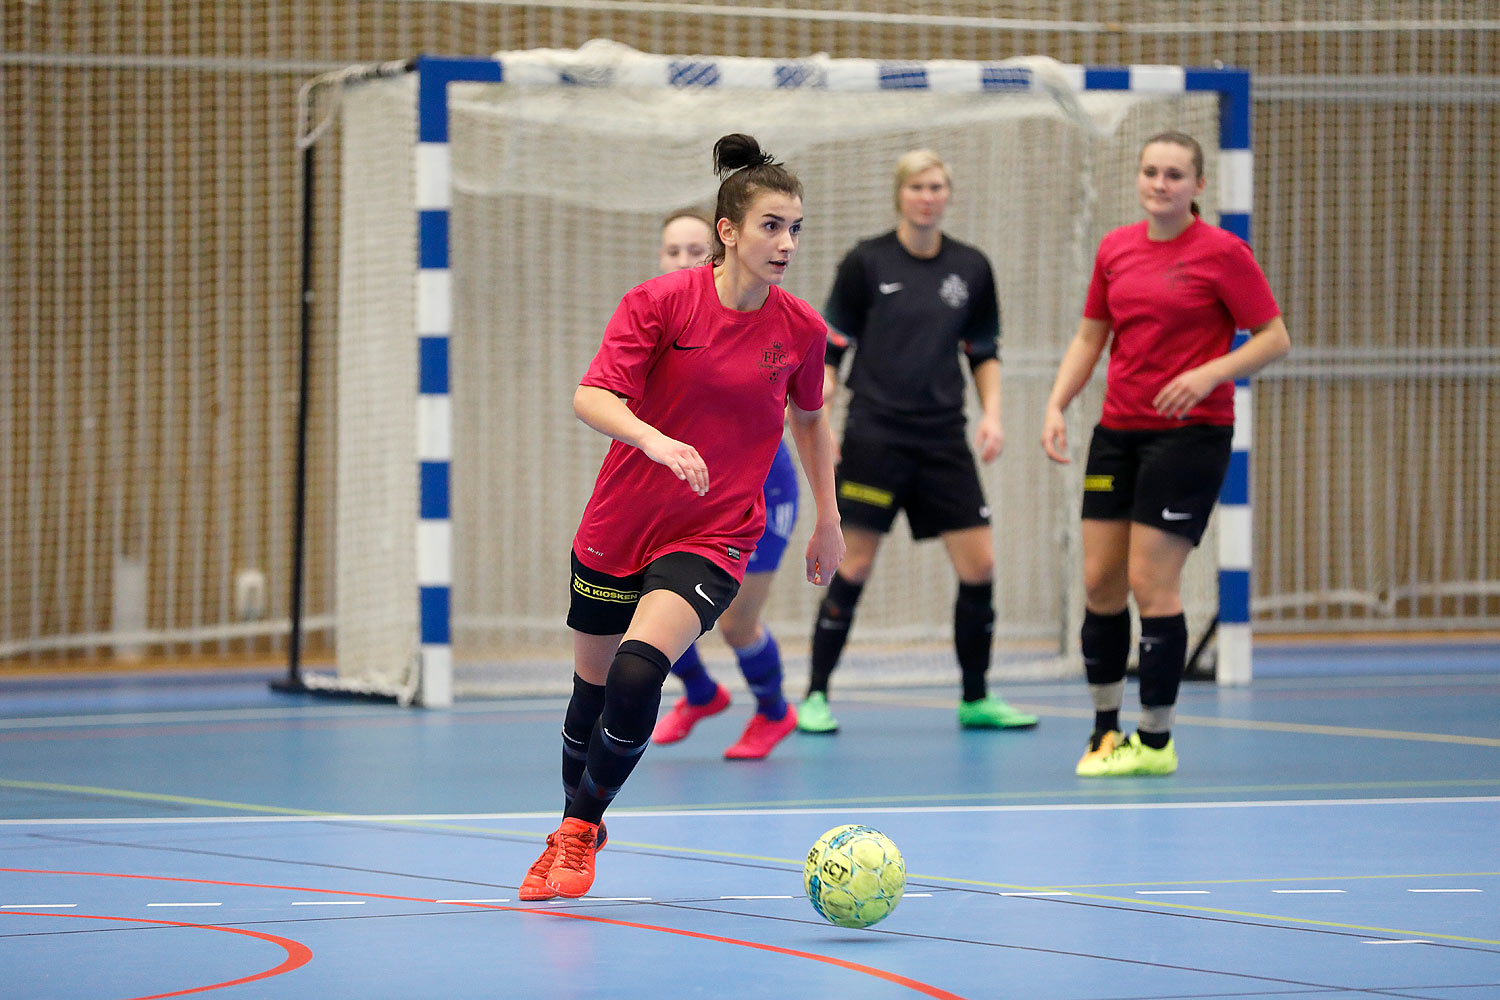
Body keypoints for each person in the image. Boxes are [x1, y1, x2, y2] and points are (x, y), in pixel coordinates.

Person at [520, 135, 844, 901]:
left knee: (639, 672)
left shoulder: (800, 329)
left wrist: (827, 516)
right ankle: (579, 818)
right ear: (728, 231)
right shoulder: (659, 304)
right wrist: (655, 439)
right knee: (588, 701)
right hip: (620, 522)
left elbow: (810, 420)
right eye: (772, 225)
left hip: (716, 531)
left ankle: (573, 833)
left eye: (796, 227)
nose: (787, 242)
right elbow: (592, 396)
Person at [1041, 131, 1290, 777]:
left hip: (1190, 435)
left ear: (1198, 186)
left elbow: (1274, 337)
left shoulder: (1223, 253)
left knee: (1153, 584)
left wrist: (1212, 372)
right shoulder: (1116, 249)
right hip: (1118, 431)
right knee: (1100, 583)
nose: (1160, 183)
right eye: (1151, 172)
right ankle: (1104, 732)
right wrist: (1055, 404)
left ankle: (1155, 741)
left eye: (1175, 174)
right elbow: (1091, 334)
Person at [799, 149, 1038, 735]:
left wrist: (994, 416)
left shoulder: (972, 268)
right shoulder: (866, 262)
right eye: (917, 187)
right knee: (852, 564)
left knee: (980, 565)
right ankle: (815, 695)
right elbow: (832, 350)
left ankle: (976, 698)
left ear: (947, 194)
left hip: (942, 438)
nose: (927, 196)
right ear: (900, 194)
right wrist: (822, 421)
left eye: (937, 186)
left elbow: (983, 353)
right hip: (876, 433)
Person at [649, 210, 805, 760]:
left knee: (738, 624)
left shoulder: (757, 314)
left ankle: (774, 711)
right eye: (673, 251)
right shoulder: (656, 315)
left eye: (695, 250)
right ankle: (700, 693)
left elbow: (809, 391)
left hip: (761, 491)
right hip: (687, 489)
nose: (684, 261)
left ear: (720, 247)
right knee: (640, 603)